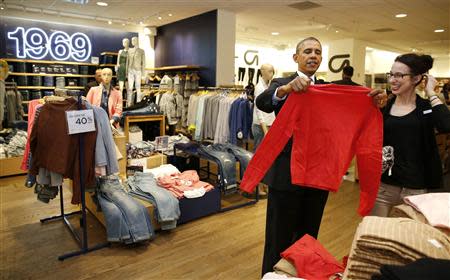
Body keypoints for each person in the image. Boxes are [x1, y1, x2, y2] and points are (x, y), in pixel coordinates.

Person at [254, 37, 387, 275]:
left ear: (321, 59)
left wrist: (374, 99)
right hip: (286, 177)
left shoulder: (327, 89)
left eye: (317, 52)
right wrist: (285, 89)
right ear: (296, 57)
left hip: (318, 176)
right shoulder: (281, 82)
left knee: (308, 237)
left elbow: (355, 101)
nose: (313, 55)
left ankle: (302, 275)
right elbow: (263, 102)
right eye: (307, 51)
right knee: (278, 237)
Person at [370, 53, 450, 217]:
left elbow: (446, 125)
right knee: (376, 234)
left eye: (399, 75)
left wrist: (430, 92)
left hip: (415, 188)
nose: (393, 80)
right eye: (391, 74)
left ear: (416, 78)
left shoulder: (425, 108)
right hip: (384, 185)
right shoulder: (385, 105)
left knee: (405, 237)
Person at [252, 63, 275, 151]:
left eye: (272, 71)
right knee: (258, 152)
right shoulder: (259, 88)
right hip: (261, 126)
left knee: (266, 151)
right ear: (262, 72)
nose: (272, 74)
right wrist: (265, 129)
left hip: (268, 124)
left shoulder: (268, 86)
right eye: (269, 71)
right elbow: (258, 109)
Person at [127, 36, 145, 107]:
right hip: (130, 70)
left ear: (137, 41)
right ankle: (129, 103)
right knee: (130, 87)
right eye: (132, 40)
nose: (132, 41)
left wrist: (143, 73)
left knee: (138, 87)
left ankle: (138, 102)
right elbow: (127, 62)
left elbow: (143, 62)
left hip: (138, 70)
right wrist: (126, 71)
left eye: (134, 40)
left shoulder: (141, 51)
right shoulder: (129, 50)